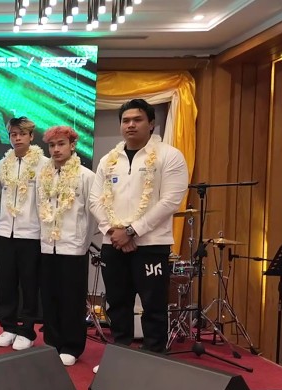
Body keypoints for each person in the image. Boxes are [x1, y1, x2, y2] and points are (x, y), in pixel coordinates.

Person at [89, 99, 188, 369]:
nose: (130, 125)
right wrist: (114, 232)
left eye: (137, 119)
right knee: (117, 305)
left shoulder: (170, 156)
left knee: (153, 307)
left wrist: (133, 232)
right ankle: (119, 360)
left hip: (151, 246)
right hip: (113, 244)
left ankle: (152, 362)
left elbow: (170, 202)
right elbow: (95, 200)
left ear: (151, 123)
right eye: (126, 120)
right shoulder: (108, 160)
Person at [36, 126, 95, 365]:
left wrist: (83, 243)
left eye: (61, 144)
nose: (56, 150)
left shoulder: (85, 176)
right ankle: (52, 343)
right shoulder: (44, 176)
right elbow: (39, 209)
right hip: (47, 246)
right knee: (50, 298)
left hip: (73, 247)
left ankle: (72, 346)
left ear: (72, 145)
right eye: (52, 145)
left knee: (72, 300)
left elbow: (91, 215)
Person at [0, 116, 49, 350]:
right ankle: (8, 327)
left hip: (31, 235)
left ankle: (27, 330)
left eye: (22, 134)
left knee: (29, 285)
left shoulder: (44, 164)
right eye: (13, 134)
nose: (17, 138)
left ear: (31, 136)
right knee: (6, 284)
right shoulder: (2, 164)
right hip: (4, 234)